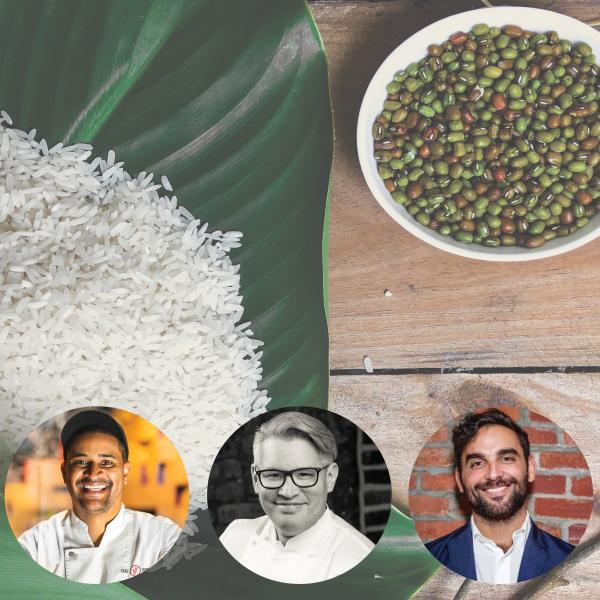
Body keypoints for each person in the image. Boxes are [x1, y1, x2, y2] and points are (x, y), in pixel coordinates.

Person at [18, 409, 181, 584]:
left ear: (125, 472)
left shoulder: (163, 536)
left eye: (107, 462)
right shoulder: (35, 544)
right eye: (81, 462)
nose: (93, 474)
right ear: (65, 472)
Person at [219, 411, 375, 583]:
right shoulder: (234, 537)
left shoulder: (359, 559)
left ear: (330, 478)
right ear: (256, 479)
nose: (287, 492)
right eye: (273, 475)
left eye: (304, 474)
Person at [425, 409, 574, 584]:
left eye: (506, 459)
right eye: (477, 463)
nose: (494, 474)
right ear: (459, 479)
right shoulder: (426, 564)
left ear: (530, 469)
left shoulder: (570, 561)